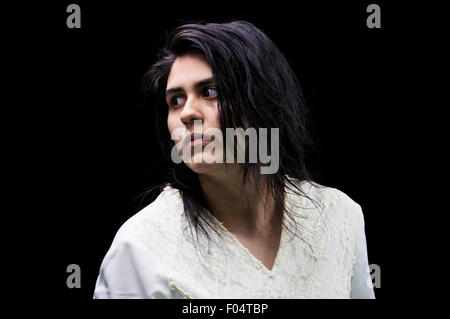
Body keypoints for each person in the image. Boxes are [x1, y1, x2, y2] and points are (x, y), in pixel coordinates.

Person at [93, 20, 375, 299]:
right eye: (176, 100)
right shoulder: (141, 247)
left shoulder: (339, 217)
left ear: (262, 101)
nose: (187, 113)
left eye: (209, 92)